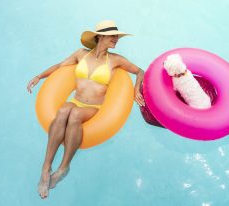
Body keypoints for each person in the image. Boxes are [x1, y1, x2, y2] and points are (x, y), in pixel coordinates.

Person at [26, 20, 145, 199]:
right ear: (100, 37)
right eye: (113, 36)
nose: (116, 39)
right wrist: (39, 76)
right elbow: (59, 67)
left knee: (73, 115)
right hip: (77, 101)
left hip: (94, 107)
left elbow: (140, 71)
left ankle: (64, 166)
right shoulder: (81, 54)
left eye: (117, 36)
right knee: (63, 110)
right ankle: (46, 167)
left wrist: (136, 89)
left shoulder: (115, 60)